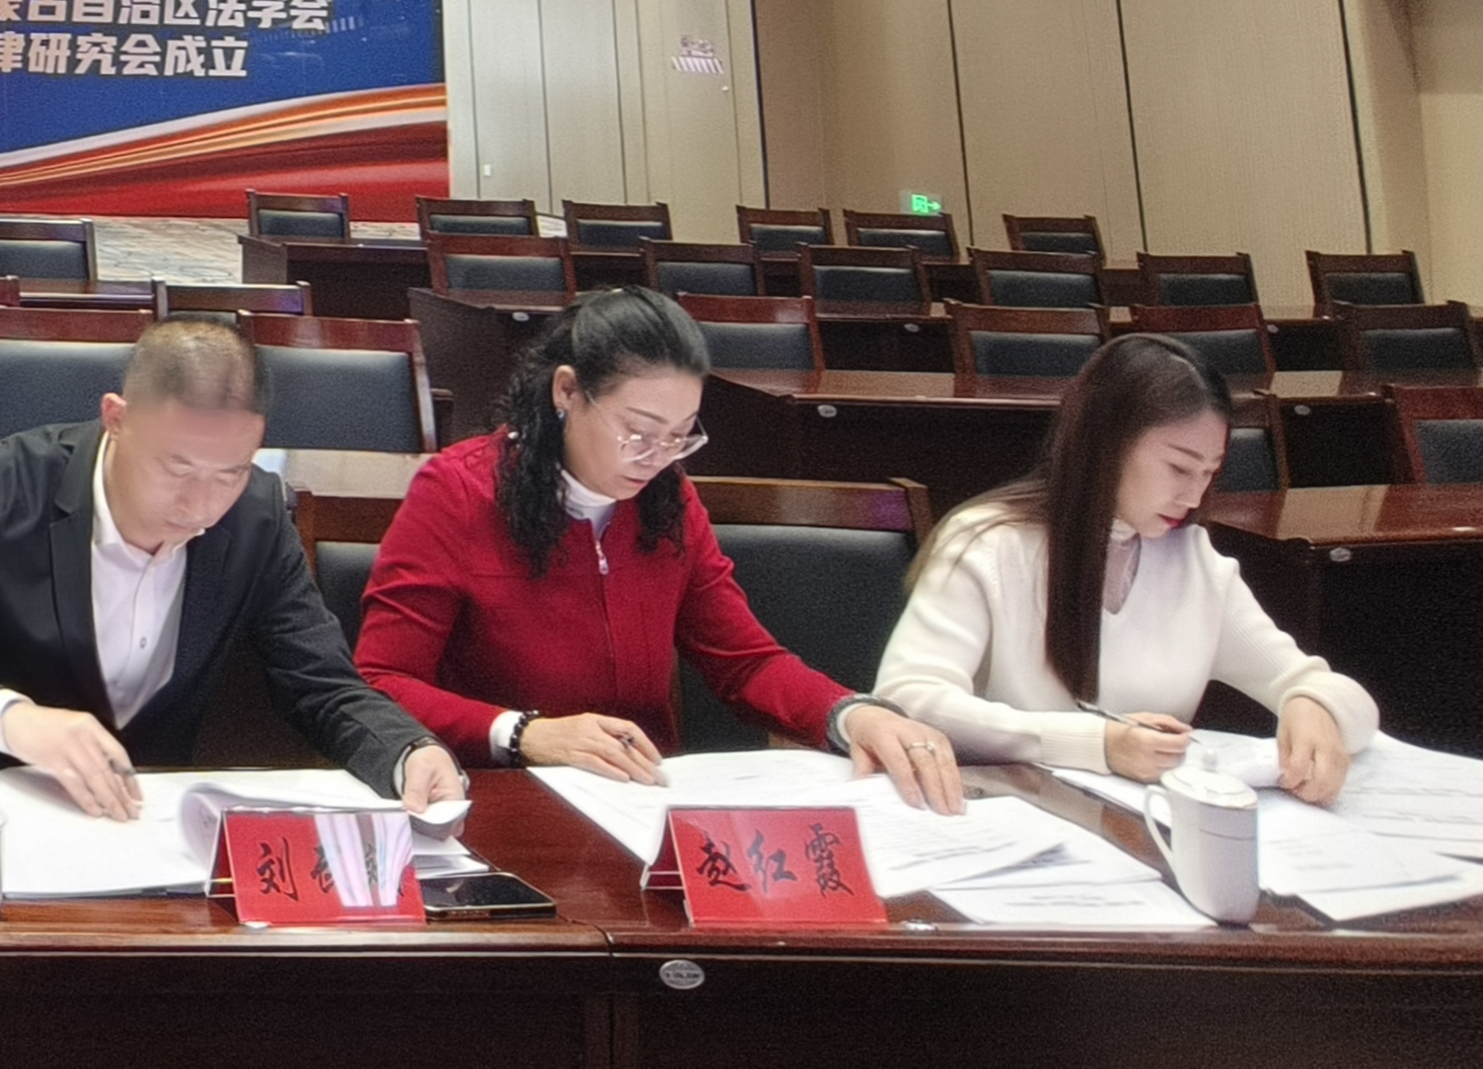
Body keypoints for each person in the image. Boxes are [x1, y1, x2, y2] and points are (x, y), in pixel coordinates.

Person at [353, 287, 964, 810]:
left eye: (680, 436)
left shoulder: (667, 501)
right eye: (638, 431)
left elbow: (744, 661)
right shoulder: (458, 492)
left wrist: (851, 714)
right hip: (504, 794)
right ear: (567, 391)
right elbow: (381, 681)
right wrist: (523, 734)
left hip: (643, 798)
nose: (656, 459)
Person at [0, 318, 463, 819]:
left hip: (147, 823)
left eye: (229, 472)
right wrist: (11, 718)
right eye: (176, 468)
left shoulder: (256, 517)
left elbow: (321, 683)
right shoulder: (1, 486)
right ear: (117, 418)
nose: (201, 505)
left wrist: (405, 749)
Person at [879, 334, 1372, 803]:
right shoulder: (987, 544)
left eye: (1210, 472)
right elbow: (908, 698)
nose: (1194, 496)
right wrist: (1097, 743)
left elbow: (1334, 693)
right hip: (1011, 819)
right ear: (1107, 445)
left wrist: (1315, 704)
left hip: (1148, 827)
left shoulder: (1193, 561)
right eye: (1179, 467)